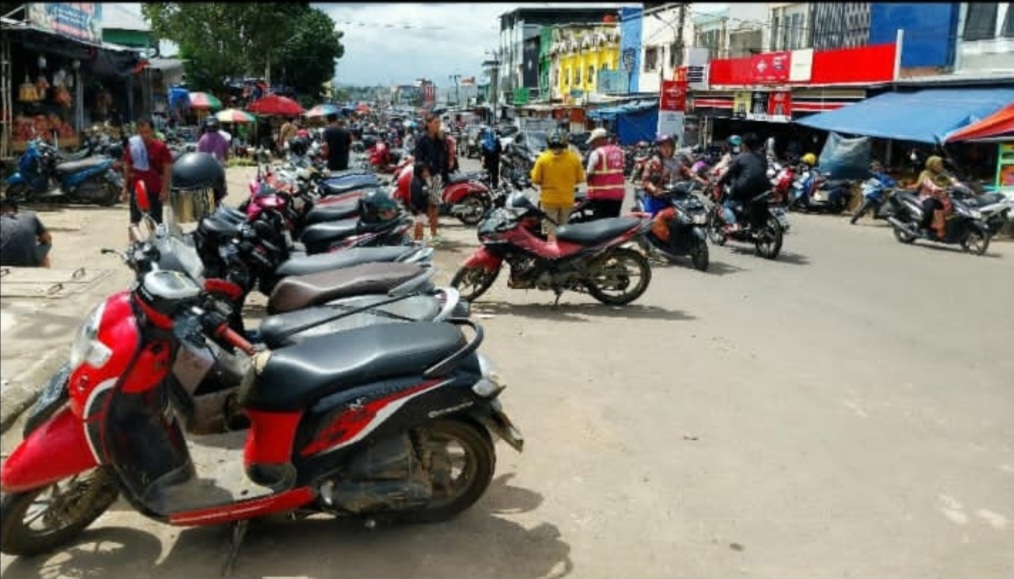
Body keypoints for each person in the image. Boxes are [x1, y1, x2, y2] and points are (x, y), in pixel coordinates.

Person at [530, 130, 585, 243]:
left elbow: (535, 179)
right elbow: (580, 179)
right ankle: (564, 254)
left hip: (549, 200)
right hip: (567, 199)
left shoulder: (542, 159)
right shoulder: (574, 158)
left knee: (551, 231)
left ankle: (553, 254)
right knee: (564, 229)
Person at [122, 116, 173, 236]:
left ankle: (159, 247)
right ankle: (133, 247)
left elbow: (167, 169)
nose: (144, 135)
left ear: (153, 131)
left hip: (154, 189)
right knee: (134, 221)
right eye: (140, 133)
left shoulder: (160, 147)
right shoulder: (133, 146)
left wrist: (165, 189)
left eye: (146, 132)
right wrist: (124, 188)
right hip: (137, 188)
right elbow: (127, 167)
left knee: (156, 222)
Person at [717, 132, 771, 233]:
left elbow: (729, 173)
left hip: (744, 188)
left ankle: (734, 225)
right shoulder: (763, 158)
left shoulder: (740, 157)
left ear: (744, 145)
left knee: (726, 206)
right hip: (764, 188)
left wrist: (719, 182)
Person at [413, 114, 449, 244]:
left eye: (439, 123)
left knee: (434, 207)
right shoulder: (421, 140)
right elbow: (418, 160)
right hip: (423, 178)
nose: (438, 125)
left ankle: (434, 234)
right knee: (421, 209)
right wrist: (425, 174)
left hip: (436, 177)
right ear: (428, 124)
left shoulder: (439, 140)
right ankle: (418, 236)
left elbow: (444, 158)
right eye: (435, 122)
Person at [640, 134, 698, 216]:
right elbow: (645, 181)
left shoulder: (677, 162)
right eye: (663, 147)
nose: (666, 149)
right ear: (659, 148)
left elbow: (687, 171)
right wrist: (655, 189)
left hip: (674, 198)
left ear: (673, 148)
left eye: (669, 146)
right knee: (652, 224)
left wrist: (702, 180)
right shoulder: (653, 162)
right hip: (656, 199)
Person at [584, 127, 626, 220]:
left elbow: (589, 174)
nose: (593, 144)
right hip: (618, 195)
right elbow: (622, 170)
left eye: (593, 142)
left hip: (601, 196)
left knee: (601, 223)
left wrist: (589, 183)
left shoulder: (597, 153)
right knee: (614, 222)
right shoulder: (620, 151)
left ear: (600, 140)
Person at [1, 198, 52, 267]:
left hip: (3, 262)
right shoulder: (30, 216)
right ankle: (43, 272)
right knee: (47, 244)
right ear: (16, 209)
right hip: (28, 262)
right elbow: (47, 238)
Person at [917, 155, 959, 238]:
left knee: (952, 208)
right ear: (931, 165)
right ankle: (924, 228)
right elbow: (928, 184)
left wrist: (961, 186)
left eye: (940, 164)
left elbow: (952, 180)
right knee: (930, 208)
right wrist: (937, 188)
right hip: (928, 196)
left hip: (942, 196)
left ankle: (944, 228)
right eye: (937, 164)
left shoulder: (943, 173)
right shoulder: (925, 174)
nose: (940, 166)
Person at [409, 162, 432, 242]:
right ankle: (418, 241)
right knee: (419, 225)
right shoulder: (416, 183)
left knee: (420, 225)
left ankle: (418, 240)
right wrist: (418, 209)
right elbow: (416, 197)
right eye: (425, 171)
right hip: (419, 208)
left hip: (422, 208)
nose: (427, 173)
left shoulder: (422, 181)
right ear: (420, 172)